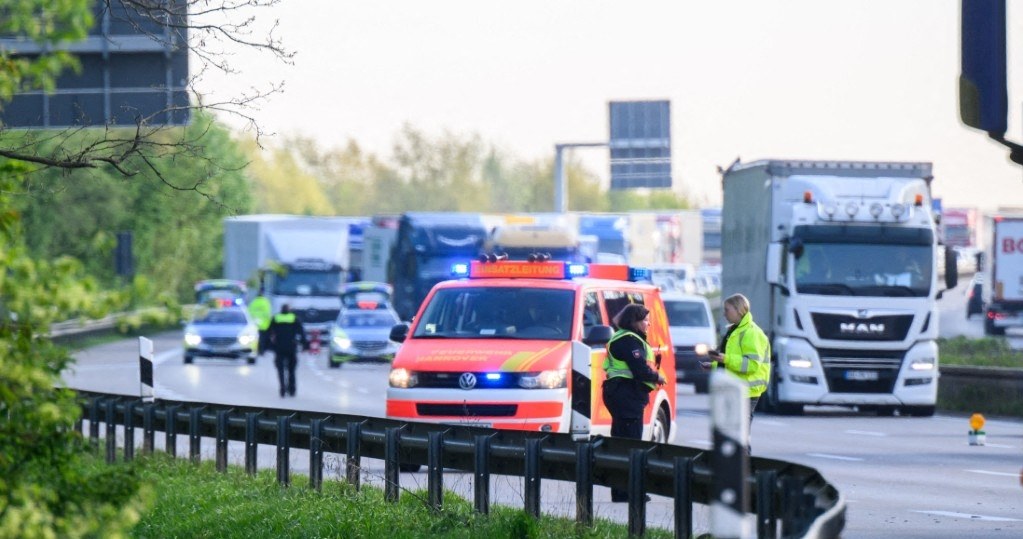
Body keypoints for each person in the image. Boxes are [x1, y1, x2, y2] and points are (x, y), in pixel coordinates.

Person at [602, 303, 667, 503]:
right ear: (635, 321)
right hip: (625, 395)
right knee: (630, 445)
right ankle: (627, 491)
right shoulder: (629, 341)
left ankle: (621, 491)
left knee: (622, 442)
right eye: (646, 320)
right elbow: (639, 370)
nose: (648, 324)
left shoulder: (625, 338)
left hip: (622, 394)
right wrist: (657, 377)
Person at [704, 293, 771, 451]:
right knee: (732, 434)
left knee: (739, 436)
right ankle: (738, 469)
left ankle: (743, 470)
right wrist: (714, 364)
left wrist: (724, 359)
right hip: (736, 389)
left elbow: (752, 365)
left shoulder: (751, 333)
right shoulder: (734, 331)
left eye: (727, 310)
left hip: (747, 391)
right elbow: (731, 362)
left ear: (739, 310)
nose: (724, 313)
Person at [267, 304, 309, 397]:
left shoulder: (276, 318)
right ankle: (292, 389)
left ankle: (282, 388)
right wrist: (304, 345)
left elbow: (268, 332)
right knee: (291, 370)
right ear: (289, 310)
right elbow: (301, 332)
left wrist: (268, 346)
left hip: (279, 347)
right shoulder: (294, 318)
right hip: (291, 347)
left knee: (280, 370)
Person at [247, 288, 272, 356]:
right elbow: (268, 314)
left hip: (255, 325)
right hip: (264, 325)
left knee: (255, 339)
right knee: (262, 339)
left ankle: (255, 350)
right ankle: (261, 351)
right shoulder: (266, 302)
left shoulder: (253, 302)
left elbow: (249, 313)